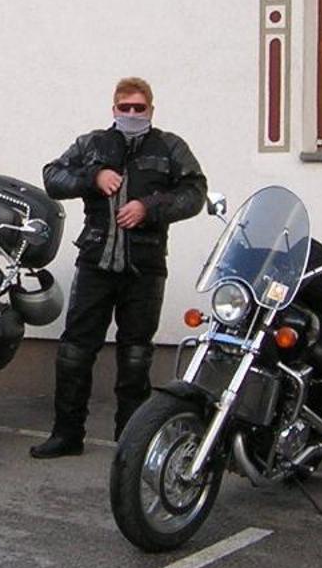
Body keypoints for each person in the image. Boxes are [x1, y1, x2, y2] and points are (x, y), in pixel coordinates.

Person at [32, 77, 206, 459]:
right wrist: (92, 177)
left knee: (136, 355)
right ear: (113, 109)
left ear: (151, 110)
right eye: (124, 107)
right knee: (75, 351)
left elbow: (195, 193)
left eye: (138, 108)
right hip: (95, 261)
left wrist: (150, 207)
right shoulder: (92, 143)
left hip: (145, 266)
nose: (131, 114)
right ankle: (66, 434)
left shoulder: (170, 146)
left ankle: (130, 442)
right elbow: (51, 177)